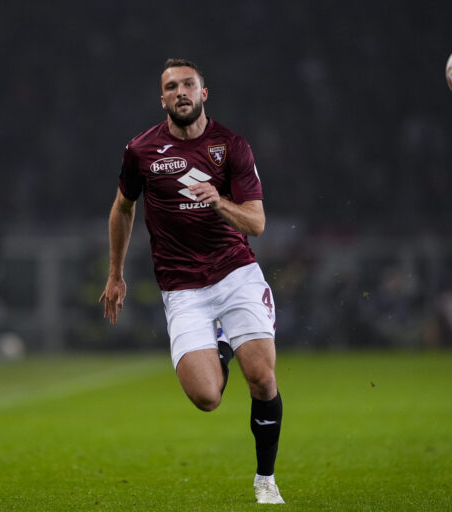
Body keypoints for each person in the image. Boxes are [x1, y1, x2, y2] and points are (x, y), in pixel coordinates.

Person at [99, 58, 284, 505]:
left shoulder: (232, 146)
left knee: (262, 379)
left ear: (204, 93)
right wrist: (115, 273)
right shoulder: (141, 151)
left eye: (188, 84)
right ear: (162, 99)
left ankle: (265, 479)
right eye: (171, 87)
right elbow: (123, 208)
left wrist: (219, 202)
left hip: (235, 274)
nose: (180, 92)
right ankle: (222, 344)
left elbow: (257, 223)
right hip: (182, 288)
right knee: (206, 397)